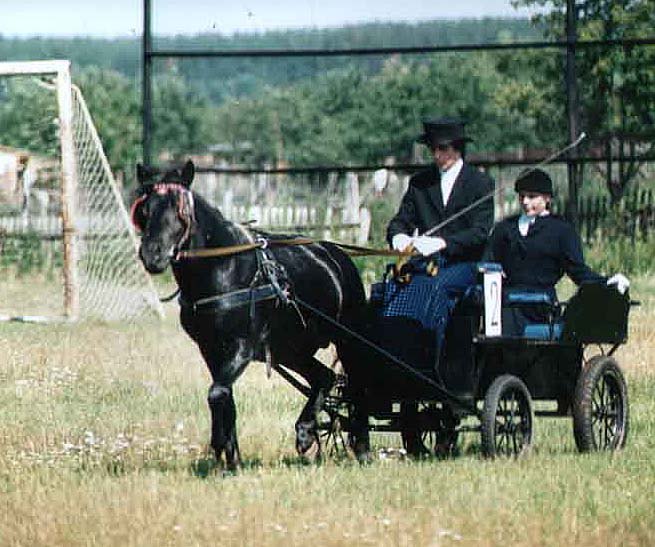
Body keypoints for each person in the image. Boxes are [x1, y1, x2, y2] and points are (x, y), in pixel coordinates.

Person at [382, 117, 495, 360]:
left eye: (442, 149)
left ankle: (432, 354)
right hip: (425, 263)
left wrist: (443, 243)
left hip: (465, 264)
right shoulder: (420, 183)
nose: (436, 155)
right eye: (432, 149)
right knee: (393, 284)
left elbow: (480, 231)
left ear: (457, 148)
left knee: (436, 287)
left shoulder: (480, 183)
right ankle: (395, 350)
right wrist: (399, 236)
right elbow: (401, 219)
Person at [484, 167, 630, 335]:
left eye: (532, 197)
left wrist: (606, 282)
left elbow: (577, 270)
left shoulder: (561, 230)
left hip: (541, 305)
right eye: (522, 196)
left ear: (547, 198)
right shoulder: (505, 228)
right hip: (507, 303)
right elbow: (489, 261)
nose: (525, 202)